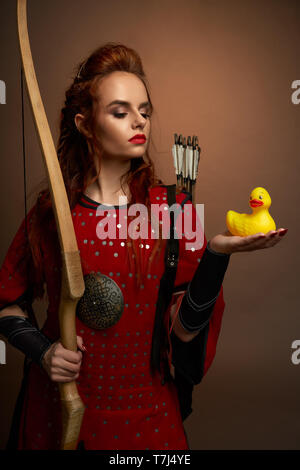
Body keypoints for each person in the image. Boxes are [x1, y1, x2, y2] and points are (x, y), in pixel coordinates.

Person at [0, 43, 287, 450]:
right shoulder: (53, 212)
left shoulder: (174, 209)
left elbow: (185, 332)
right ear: (85, 124)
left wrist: (217, 254)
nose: (139, 121)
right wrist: (43, 351)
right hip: (58, 411)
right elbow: (6, 300)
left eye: (145, 111)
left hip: (146, 412)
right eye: (120, 112)